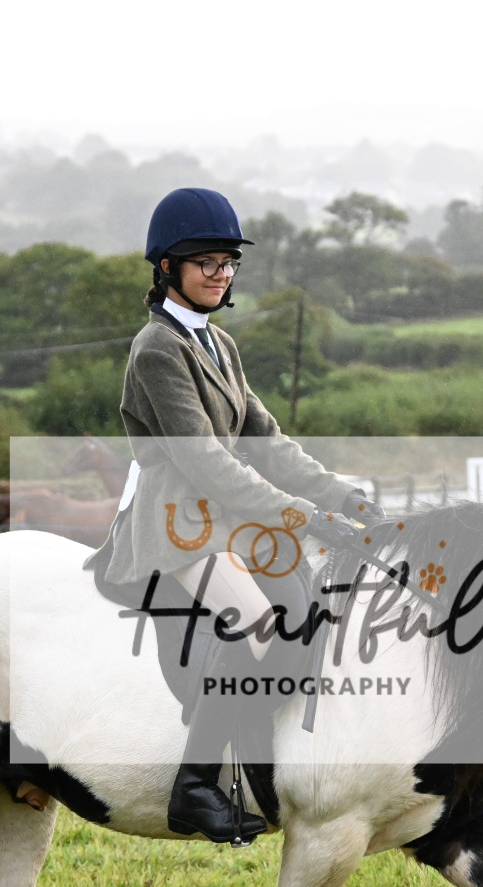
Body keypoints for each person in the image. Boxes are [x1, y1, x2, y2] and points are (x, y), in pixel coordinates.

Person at [85, 187, 374, 845]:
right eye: (206, 262)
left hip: (232, 522)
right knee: (259, 620)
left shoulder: (219, 344)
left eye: (228, 262)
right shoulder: (157, 349)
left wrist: (346, 498)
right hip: (177, 527)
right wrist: (305, 516)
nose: (221, 273)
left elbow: (268, 442)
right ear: (167, 268)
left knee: (305, 608)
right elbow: (207, 462)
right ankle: (193, 785)